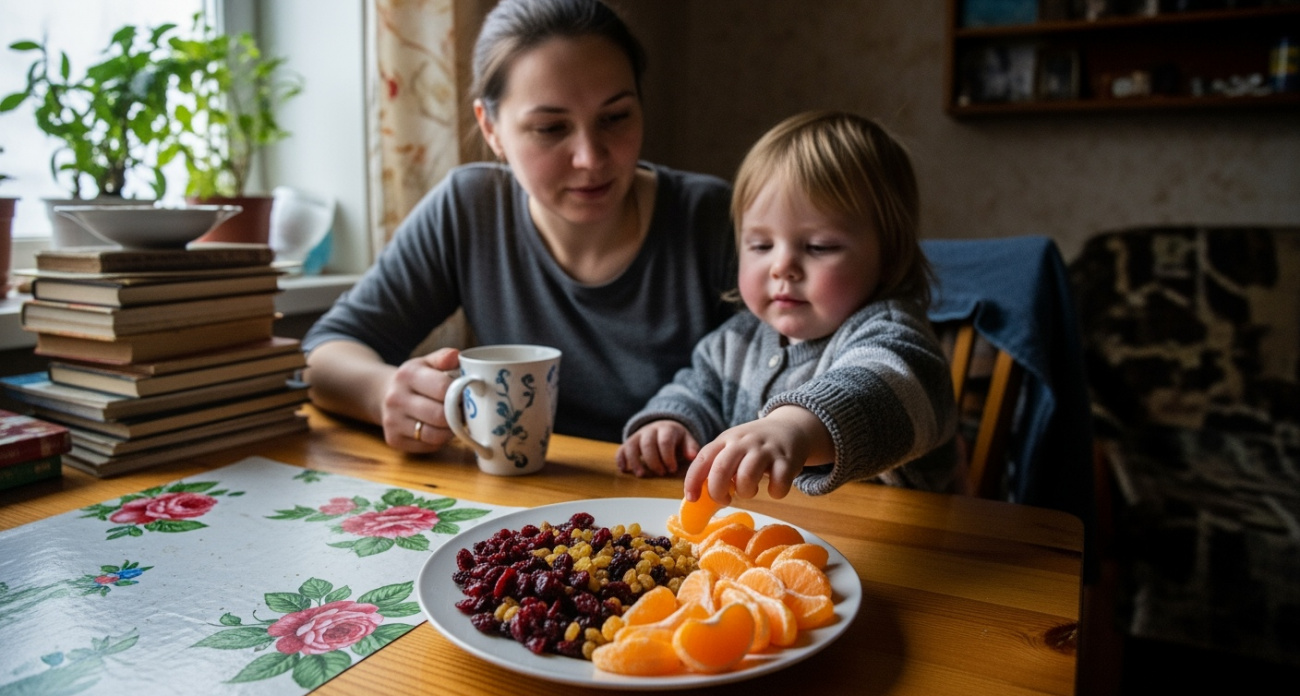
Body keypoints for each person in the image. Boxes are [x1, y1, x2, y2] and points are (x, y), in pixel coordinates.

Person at [301, 0, 735, 451]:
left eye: (615, 117)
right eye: (550, 128)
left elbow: (782, 374)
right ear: (491, 129)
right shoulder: (470, 208)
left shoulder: (711, 218)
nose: (590, 158)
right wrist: (384, 393)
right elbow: (323, 353)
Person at [616, 111, 960, 505]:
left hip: (897, 538)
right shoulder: (735, 342)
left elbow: (881, 385)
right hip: (776, 537)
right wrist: (670, 424)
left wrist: (793, 427)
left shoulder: (893, 332)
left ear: (889, 255)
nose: (781, 266)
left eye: (818, 246)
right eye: (761, 245)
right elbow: (696, 390)